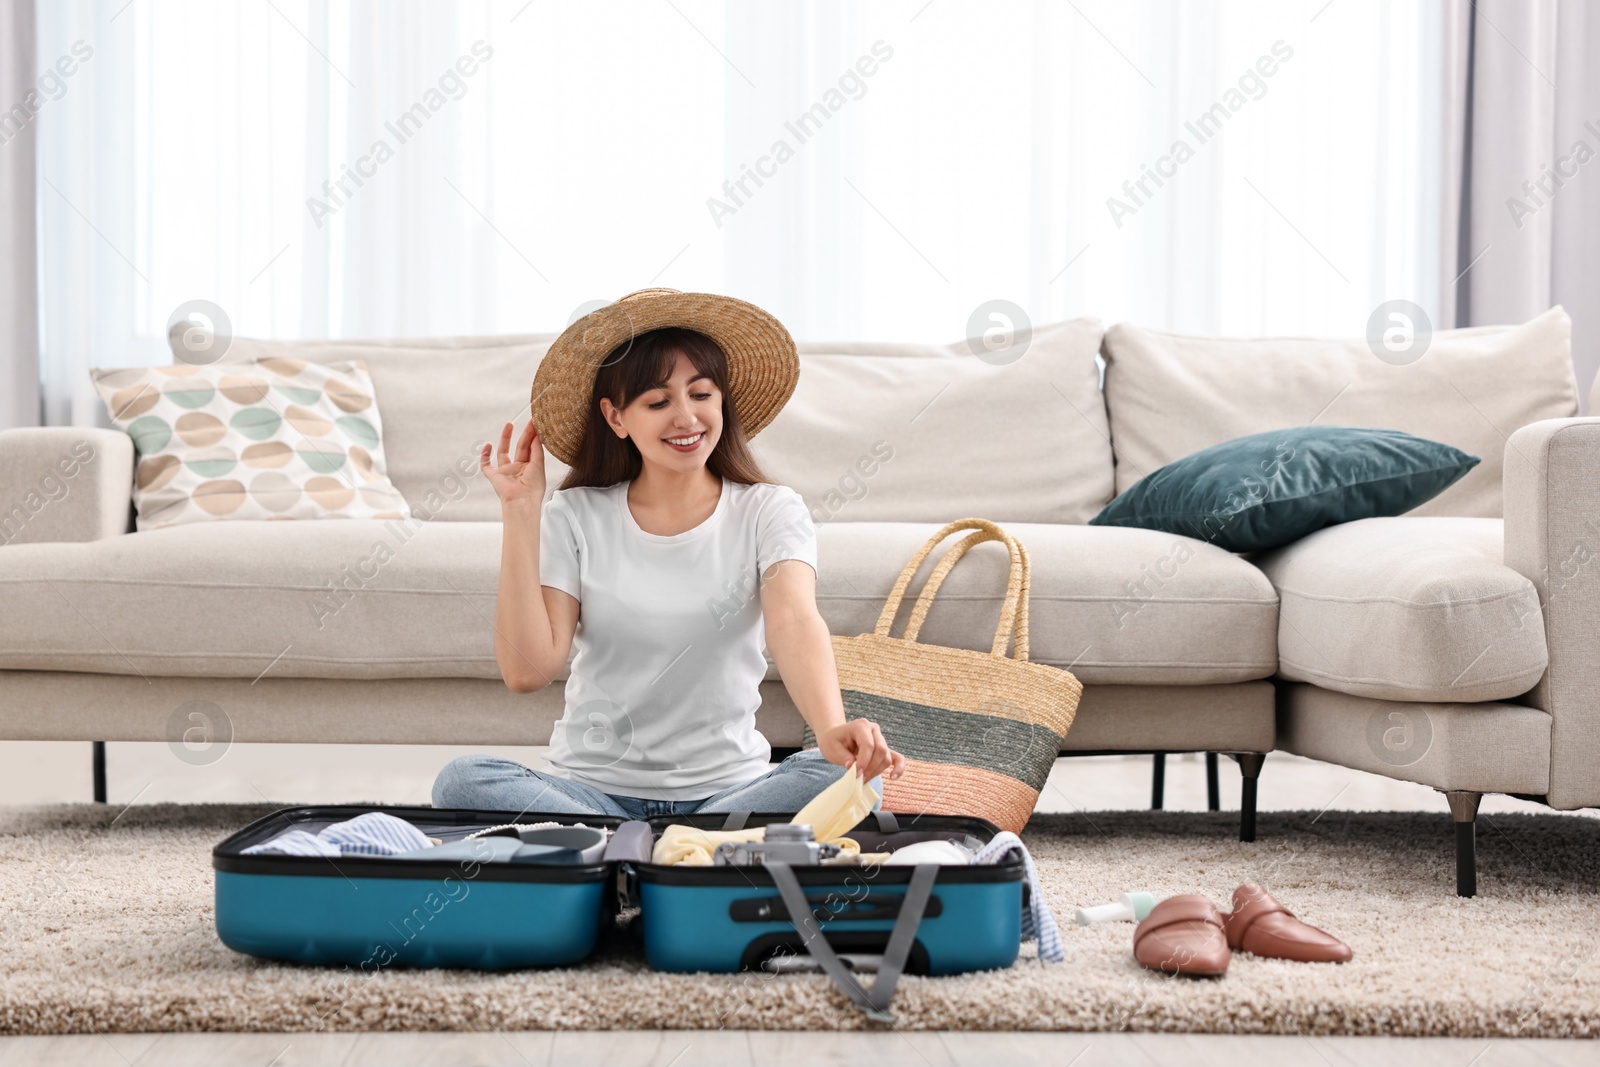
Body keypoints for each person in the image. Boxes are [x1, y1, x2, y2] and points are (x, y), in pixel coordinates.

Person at [431, 289, 906, 820]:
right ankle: (677, 852)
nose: (687, 417)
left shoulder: (769, 510)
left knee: (838, 778)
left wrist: (830, 728)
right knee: (463, 782)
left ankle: (630, 850)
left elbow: (794, 619)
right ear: (616, 418)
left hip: (727, 795)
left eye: (701, 394)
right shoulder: (576, 515)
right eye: (658, 403)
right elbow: (527, 671)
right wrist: (521, 512)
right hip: (592, 794)